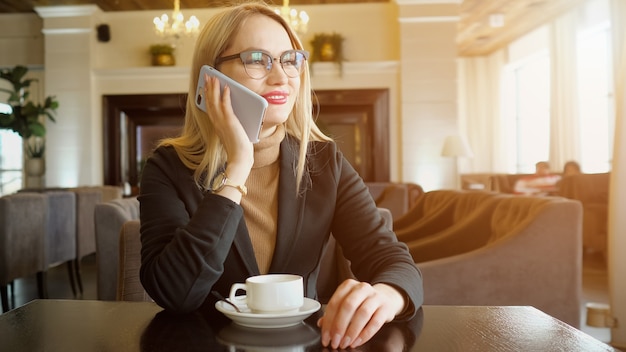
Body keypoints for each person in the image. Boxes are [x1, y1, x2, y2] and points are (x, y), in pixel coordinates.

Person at [137, 2, 423, 350]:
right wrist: (238, 166)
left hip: (304, 342)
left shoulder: (324, 161)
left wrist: (387, 296)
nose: (281, 76)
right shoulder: (168, 167)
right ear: (211, 76)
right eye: (257, 58)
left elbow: (393, 260)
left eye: (290, 59)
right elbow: (175, 292)